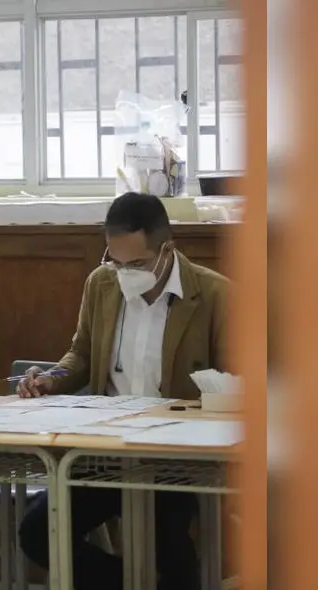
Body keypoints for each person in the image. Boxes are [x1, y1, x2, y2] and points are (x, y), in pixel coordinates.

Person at [16, 192, 229, 590]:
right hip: (104, 452)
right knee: (38, 533)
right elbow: (81, 353)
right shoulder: (102, 283)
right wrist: (50, 379)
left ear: (168, 249)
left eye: (138, 264)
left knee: (171, 551)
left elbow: (239, 381)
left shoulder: (214, 295)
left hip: (175, 457)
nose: (125, 272)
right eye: (115, 261)